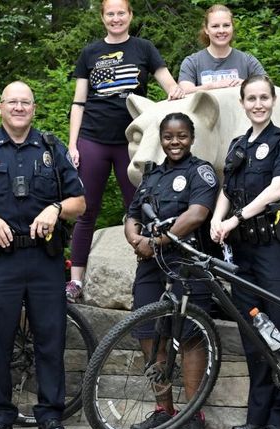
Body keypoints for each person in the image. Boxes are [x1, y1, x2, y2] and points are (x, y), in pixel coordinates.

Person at [0, 81, 85, 429]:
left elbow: (80, 203)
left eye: (25, 102)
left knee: (50, 338)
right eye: (13, 102)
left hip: (44, 259)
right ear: (0, 107)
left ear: (34, 108)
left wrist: (56, 208)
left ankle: (50, 415)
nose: (19, 108)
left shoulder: (52, 148)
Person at [65, 0, 186, 302]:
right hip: (92, 139)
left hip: (132, 141)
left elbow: (170, 87)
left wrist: (179, 93)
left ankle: (149, 278)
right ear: (103, 17)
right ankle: (76, 281)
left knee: (142, 209)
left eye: (121, 13)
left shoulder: (143, 48)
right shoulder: (90, 52)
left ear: (130, 16)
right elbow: (79, 102)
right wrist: (72, 144)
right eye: (110, 13)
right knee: (85, 210)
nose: (116, 18)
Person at [210, 75, 280, 429]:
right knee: (253, 334)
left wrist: (234, 218)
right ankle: (258, 415)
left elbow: (278, 188)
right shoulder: (237, 145)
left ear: (274, 100)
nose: (258, 104)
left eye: (264, 97)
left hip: (274, 250)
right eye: (251, 98)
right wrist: (218, 218)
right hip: (243, 253)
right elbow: (227, 190)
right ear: (243, 102)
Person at [124, 112, 219, 429]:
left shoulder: (200, 171)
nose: (174, 142)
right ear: (161, 139)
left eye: (181, 136)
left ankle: (193, 415)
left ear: (191, 138)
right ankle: (164, 410)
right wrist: (137, 240)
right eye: (168, 136)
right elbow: (132, 214)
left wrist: (157, 242)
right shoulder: (151, 175)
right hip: (150, 266)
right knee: (149, 336)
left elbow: (197, 214)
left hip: (187, 264)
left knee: (191, 336)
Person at [178, 4, 266, 94]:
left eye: (226, 25)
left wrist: (245, 84)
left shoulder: (248, 61)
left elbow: (268, 88)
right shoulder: (192, 62)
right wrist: (212, 86)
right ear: (206, 30)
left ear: (232, 27)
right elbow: (185, 91)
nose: (221, 31)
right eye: (215, 26)